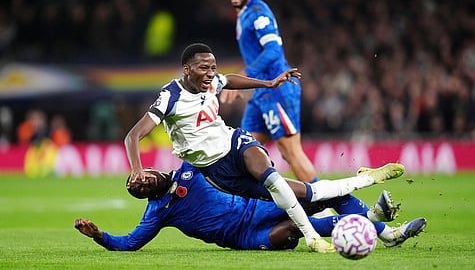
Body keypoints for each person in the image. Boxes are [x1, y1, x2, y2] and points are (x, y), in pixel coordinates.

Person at [124, 42, 405, 252]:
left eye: (212, 67)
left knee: (271, 178)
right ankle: (365, 179)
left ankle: (312, 238)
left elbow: (229, 79)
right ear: (187, 70)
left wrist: (268, 84)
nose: (211, 74)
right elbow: (133, 136)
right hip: (217, 171)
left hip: (236, 143)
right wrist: (136, 170)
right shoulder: (170, 96)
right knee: (309, 193)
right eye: (203, 68)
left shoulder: (211, 82)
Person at [74, 162, 427, 251]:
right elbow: (131, 242)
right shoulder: (158, 212)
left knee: (319, 196)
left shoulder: (188, 166)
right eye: (137, 189)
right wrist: (100, 236)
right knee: (292, 228)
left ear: (147, 169)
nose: (142, 183)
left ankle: (380, 226)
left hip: (255, 207)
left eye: (140, 178)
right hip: (242, 237)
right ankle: (377, 224)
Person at [221, 0, 318, 183]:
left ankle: (326, 208)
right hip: (261, 95)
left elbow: (274, 50)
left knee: (290, 152)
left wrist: (243, 76)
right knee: (244, 151)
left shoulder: (257, 13)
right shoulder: (244, 15)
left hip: (278, 90)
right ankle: (252, 211)